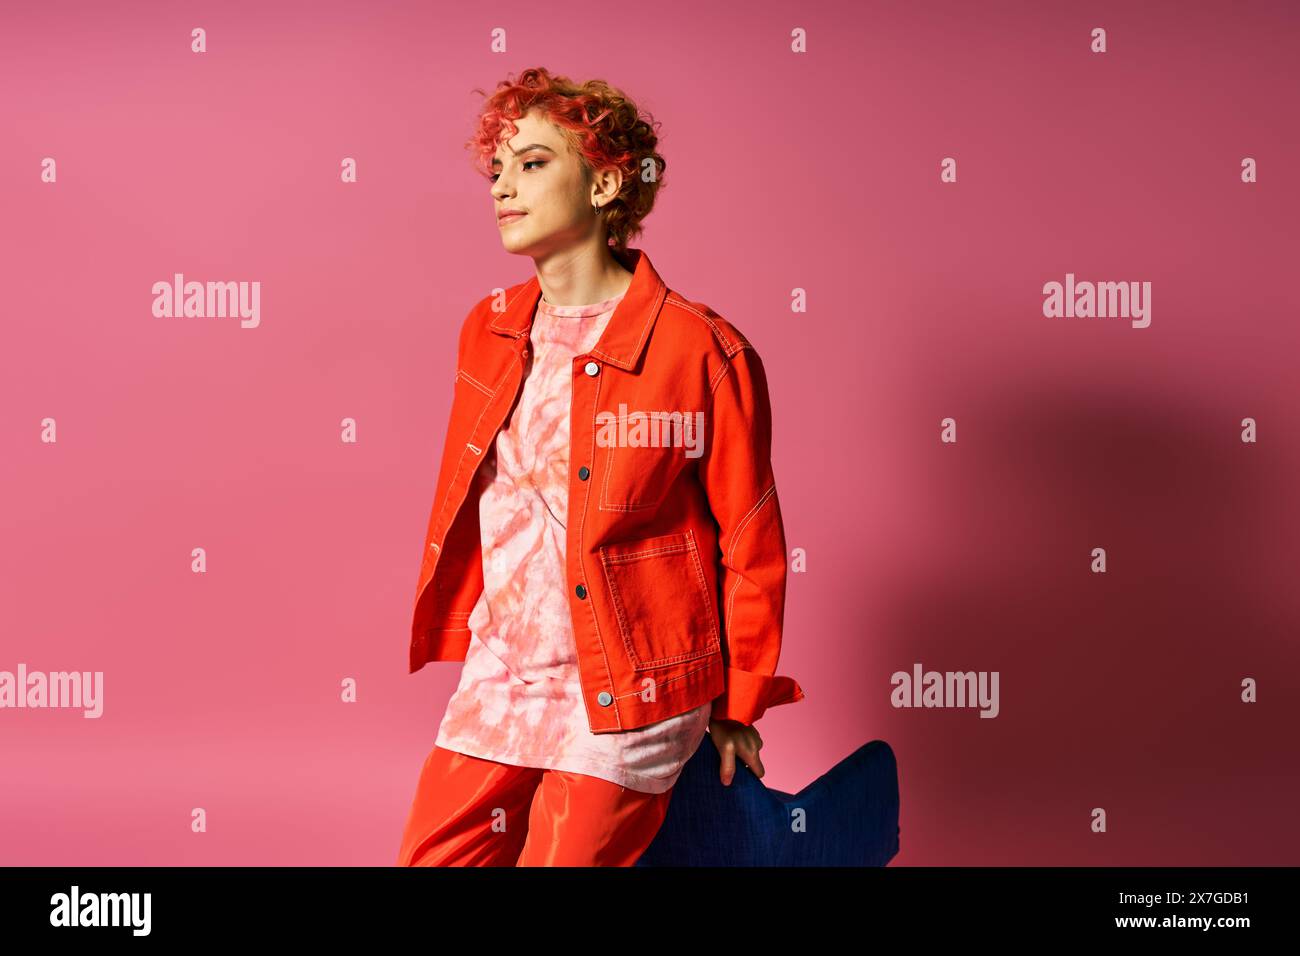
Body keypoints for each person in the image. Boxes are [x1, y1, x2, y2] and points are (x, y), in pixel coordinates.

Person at [396, 67, 803, 867]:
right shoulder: (491, 327)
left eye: (535, 163)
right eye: (498, 169)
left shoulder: (701, 348)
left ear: (607, 181)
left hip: (633, 688)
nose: (504, 187)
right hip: (506, 669)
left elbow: (749, 540)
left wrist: (738, 703)